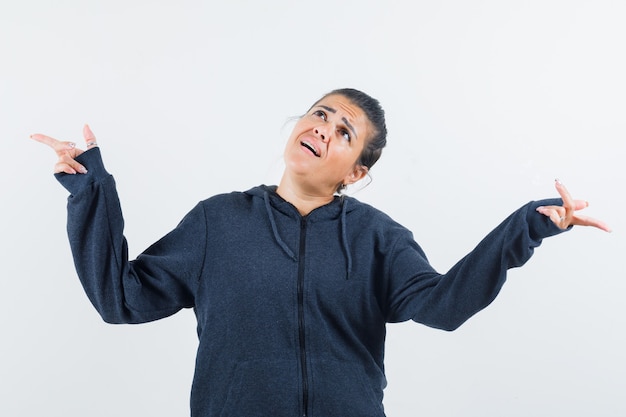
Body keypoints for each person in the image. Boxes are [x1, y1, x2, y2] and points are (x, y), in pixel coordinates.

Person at [31, 88, 610, 417]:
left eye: (344, 131)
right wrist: (91, 191)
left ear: (357, 172)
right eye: (320, 114)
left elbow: (444, 306)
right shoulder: (219, 222)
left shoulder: (379, 238)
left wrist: (523, 231)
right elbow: (121, 299)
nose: (323, 128)